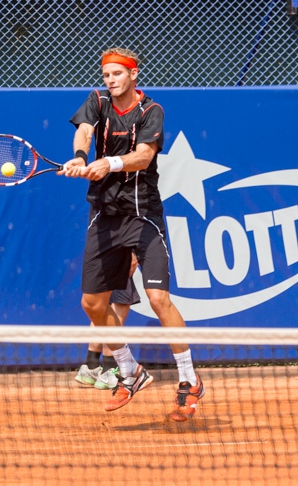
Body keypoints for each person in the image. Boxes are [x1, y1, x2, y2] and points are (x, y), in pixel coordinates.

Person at [59, 47, 204, 421]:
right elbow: (86, 131)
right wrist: (79, 156)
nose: (110, 80)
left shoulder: (151, 111)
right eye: (105, 74)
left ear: (133, 75)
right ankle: (130, 372)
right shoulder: (97, 101)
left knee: (158, 298)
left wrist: (108, 163)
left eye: (117, 74)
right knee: (92, 304)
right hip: (104, 216)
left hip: (142, 216)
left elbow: (144, 157)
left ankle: (189, 380)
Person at [75, 255, 140, 390]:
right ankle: (109, 369)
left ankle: (90, 367)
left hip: (101, 258)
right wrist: (131, 252)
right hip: (119, 255)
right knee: (119, 308)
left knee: (103, 310)